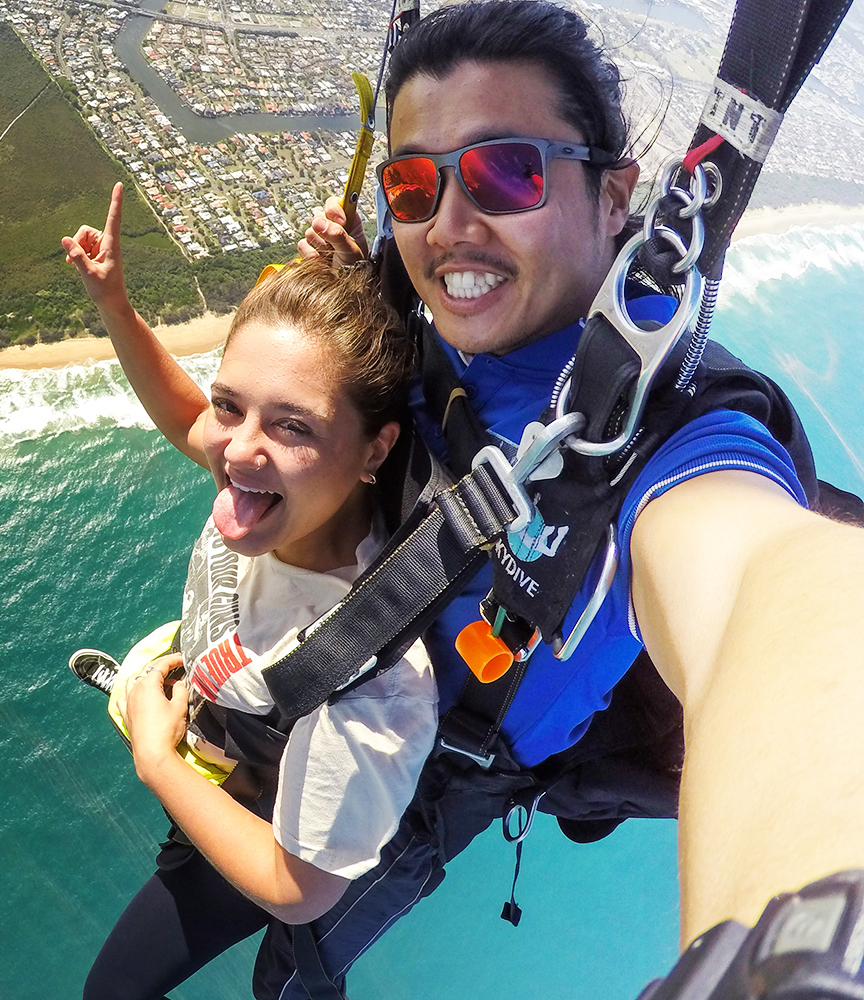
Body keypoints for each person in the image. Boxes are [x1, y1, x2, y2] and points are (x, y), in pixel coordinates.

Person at [279, 2, 864, 996]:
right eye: (414, 186)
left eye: (507, 172)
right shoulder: (413, 314)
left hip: (446, 770)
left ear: (613, 196)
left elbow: (760, 588)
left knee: (285, 966)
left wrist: (800, 941)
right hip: (356, 690)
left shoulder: (660, 426)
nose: (451, 224)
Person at [61, 184, 437, 1000]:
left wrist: (157, 761)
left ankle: (149, 711)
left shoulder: (370, 680)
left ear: (376, 449)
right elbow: (186, 416)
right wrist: (114, 303)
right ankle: (160, 692)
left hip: (258, 816)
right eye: (234, 404)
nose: (236, 451)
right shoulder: (267, 488)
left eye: (292, 425)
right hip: (220, 712)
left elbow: (298, 886)